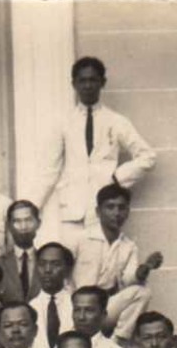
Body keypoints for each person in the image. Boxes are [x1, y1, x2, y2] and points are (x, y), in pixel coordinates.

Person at [26, 56, 157, 250]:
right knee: (71, 262)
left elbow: (148, 157)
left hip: (104, 208)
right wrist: (31, 208)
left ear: (102, 83)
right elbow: (49, 170)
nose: (87, 86)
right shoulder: (63, 122)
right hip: (71, 211)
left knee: (102, 262)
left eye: (93, 80)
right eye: (82, 80)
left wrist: (116, 177)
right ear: (74, 84)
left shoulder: (116, 121)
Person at [73, 183, 161, 343]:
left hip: (104, 309)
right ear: (98, 211)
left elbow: (129, 280)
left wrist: (146, 267)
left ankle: (118, 342)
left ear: (128, 211)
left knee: (143, 292)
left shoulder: (128, 246)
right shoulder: (80, 239)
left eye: (122, 208)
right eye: (110, 207)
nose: (116, 213)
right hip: (76, 309)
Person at [0, 200, 43, 305]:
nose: (23, 227)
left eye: (29, 220)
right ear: (9, 226)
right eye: (17, 221)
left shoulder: (46, 262)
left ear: (38, 223)